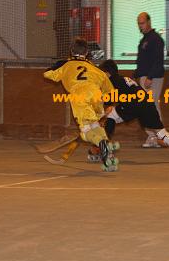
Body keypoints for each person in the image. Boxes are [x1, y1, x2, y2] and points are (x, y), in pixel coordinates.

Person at [88, 59, 169, 163]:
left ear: (107, 73)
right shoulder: (124, 79)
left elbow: (108, 102)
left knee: (111, 116)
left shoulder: (111, 81)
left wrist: (99, 114)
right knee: (162, 134)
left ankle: (101, 148)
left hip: (133, 104)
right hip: (147, 104)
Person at [43, 38, 120, 171]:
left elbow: (47, 74)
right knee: (95, 126)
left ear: (71, 51)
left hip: (79, 97)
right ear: (87, 52)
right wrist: (109, 105)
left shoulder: (66, 66)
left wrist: (60, 64)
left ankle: (101, 143)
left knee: (85, 133)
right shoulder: (96, 69)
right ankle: (108, 154)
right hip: (96, 96)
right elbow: (111, 91)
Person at [134, 12, 166, 148]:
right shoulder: (145, 39)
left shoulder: (156, 39)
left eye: (142, 23)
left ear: (149, 22)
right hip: (144, 77)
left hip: (153, 78)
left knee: (152, 106)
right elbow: (142, 60)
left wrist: (150, 76)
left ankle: (159, 136)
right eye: (139, 23)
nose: (140, 26)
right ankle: (153, 136)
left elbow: (158, 60)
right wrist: (136, 74)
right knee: (146, 106)